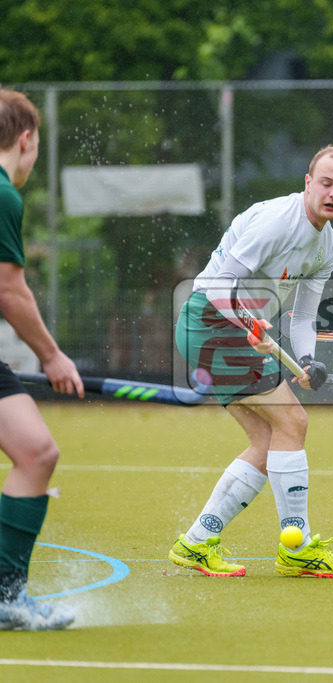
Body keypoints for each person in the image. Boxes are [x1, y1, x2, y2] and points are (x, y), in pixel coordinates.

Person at [170, 145, 333, 578]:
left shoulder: (325, 245)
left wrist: (309, 360)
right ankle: (298, 546)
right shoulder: (278, 221)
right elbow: (217, 284)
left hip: (231, 330)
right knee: (293, 424)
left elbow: (305, 316)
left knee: (268, 439)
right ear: (308, 182)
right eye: (325, 183)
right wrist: (248, 322)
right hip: (211, 320)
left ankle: (196, 542)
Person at [0, 88, 81, 630]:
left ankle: (7, 598)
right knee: (37, 454)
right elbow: (8, 289)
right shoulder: (5, 195)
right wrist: (52, 357)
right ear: (26, 139)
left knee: (36, 452)